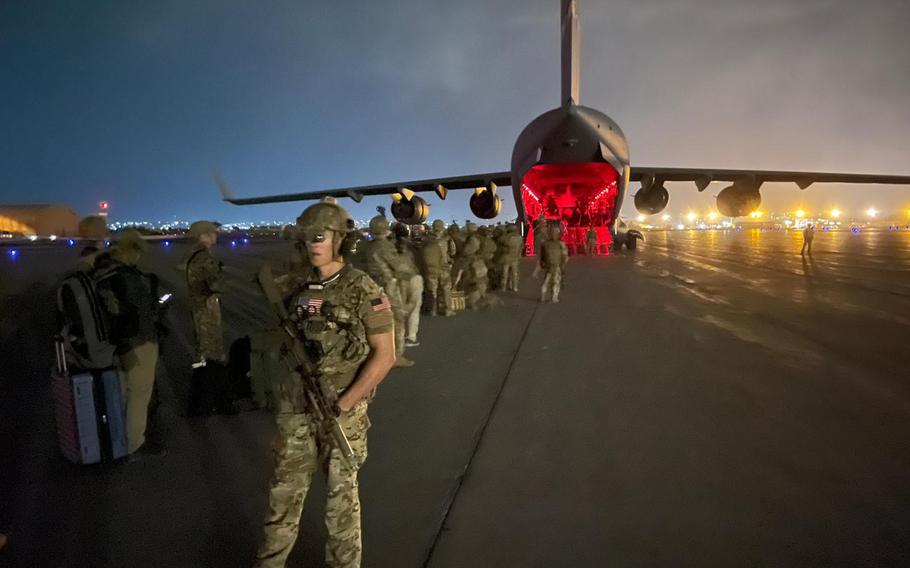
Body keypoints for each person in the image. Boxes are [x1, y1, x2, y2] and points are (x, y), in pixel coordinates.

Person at [254, 201, 396, 568]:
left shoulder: (363, 288)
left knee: (340, 507)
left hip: (340, 415)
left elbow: (386, 355)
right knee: (282, 500)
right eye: (306, 238)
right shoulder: (296, 286)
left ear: (340, 240)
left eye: (320, 236)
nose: (313, 244)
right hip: (295, 410)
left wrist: (347, 402)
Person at [92, 229, 163, 456]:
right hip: (138, 343)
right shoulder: (127, 278)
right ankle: (134, 444)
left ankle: (118, 441)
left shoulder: (102, 274)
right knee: (139, 396)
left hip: (116, 345)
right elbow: (135, 314)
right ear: (129, 250)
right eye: (138, 252)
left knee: (122, 394)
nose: (139, 257)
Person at [185, 221, 233, 415]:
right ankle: (218, 403)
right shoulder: (206, 258)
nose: (215, 236)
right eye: (212, 233)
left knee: (202, 359)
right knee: (213, 359)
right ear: (204, 235)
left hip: (198, 312)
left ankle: (199, 403)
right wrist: (220, 273)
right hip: (207, 315)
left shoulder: (193, 256)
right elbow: (217, 286)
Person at [363, 215, 415, 367]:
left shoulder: (367, 246)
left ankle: (374, 354)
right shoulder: (385, 246)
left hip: (370, 288)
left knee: (374, 320)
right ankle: (395, 356)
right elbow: (401, 268)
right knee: (396, 319)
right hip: (388, 288)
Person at [393, 222, 423, 347]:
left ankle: (397, 337)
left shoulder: (389, 246)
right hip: (414, 277)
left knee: (398, 308)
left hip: (397, 279)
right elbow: (420, 260)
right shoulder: (412, 245)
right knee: (414, 307)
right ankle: (410, 337)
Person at [420, 220, 456, 316]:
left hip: (431, 267)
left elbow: (421, 253)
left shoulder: (426, 239)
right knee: (446, 288)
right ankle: (448, 309)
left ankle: (433, 310)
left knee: (432, 289)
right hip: (444, 267)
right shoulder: (447, 239)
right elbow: (453, 252)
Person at [539, 225, 568, 303]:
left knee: (547, 281)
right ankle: (554, 298)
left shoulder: (545, 244)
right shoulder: (561, 244)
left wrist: (542, 264)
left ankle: (544, 297)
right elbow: (565, 256)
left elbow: (542, 256)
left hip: (549, 266)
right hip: (556, 266)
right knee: (555, 282)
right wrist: (563, 267)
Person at [497, 223, 523, 293]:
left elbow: (500, 240)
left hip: (507, 257)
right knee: (514, 273)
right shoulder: (519, 237)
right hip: (515, 258)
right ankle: (515, 287)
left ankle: (503, 287)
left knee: (505, 273)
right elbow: (521, 247)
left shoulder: (506, 237)